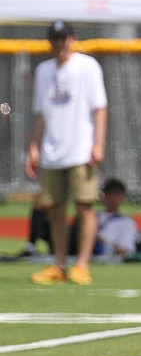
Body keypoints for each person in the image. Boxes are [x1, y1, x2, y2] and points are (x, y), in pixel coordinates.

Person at [26, 20, 108, 286]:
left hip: (81, 150)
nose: (59, 44)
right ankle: (59, 264)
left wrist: (98, 144)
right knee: (54, 210)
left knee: (85, 207)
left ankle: (82, 265)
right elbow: (40, 114)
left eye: (63, 38)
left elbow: (100, 108)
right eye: (55, 39)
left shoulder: (87, 66)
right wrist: (34, 147)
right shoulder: (44, 71)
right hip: (52, 151)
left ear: (72, 39)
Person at [91, 178, 139, 258]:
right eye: (110, 194)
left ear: (123, 197)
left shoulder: (126, 222)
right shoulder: (94, 217)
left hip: (102, 249)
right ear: (104, 196)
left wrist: (101, 241)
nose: (113, 198)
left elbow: (126, 250)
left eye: (117, 194)